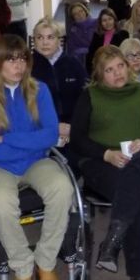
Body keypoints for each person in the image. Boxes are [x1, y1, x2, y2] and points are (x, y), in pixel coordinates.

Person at [0, 34, 73, 280]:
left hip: (35, 162)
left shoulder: (39, 90)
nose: (18, 66)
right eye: (11, 60)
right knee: (1, 203)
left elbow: (49, 135)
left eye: (22, 59)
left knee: (63, 189)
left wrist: (7, 138)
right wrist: (30, 140)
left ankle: (46, 262)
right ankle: (23, 268)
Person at [69, 46, 140, 280]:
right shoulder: (90, 96)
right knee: (132, 194)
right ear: (99, 75)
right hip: (100, 162)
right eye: (109, 70)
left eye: (120, 66)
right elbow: (78, 139)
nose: (117, 73)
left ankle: (112, 242)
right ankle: (139, 274)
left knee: (138, 172)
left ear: (128, 66)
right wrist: (106, 154)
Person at [30, 17, 86, 176]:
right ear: (34, 40)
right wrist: (52, 128)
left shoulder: (73, 64)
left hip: (71, 129)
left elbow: (84, 100)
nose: (45, 42)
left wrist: (72, 127)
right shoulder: (27, 67)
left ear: (59, 40)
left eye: (50, 37)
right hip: (40, 129)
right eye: (40, 37)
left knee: (74, 165)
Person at [87, 8, 129, 72]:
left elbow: (125, 55)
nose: (107, 23)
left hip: (117, 68)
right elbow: (90, 56)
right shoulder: (97, 35)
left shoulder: (123, 34)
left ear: (114, 20)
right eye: (104, 20)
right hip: (100, 69)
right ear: (100, 23)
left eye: (110, 19)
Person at [65, 2, 97, 67]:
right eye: (75, 14)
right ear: (73, 18)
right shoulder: (73, 30)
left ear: (85, 11)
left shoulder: (97, 23)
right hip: (80, 59)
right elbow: (71, 50)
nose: (79, 15)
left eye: (81, 11)